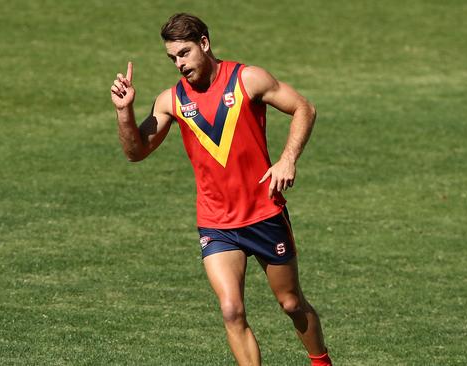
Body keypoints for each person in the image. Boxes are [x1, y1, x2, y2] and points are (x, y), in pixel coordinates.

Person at [110, 13, 332, 366]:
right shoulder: (172, 100)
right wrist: (125, 112)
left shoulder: (248, 79)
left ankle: (321, 361)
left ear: (204, 43)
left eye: (184, 53)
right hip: (216, 223)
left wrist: (288, 159)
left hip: (263, 213)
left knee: (290, 303)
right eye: (173, 58)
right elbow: (136, 152)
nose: (179, 64)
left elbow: (304, 107)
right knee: (231, 311)